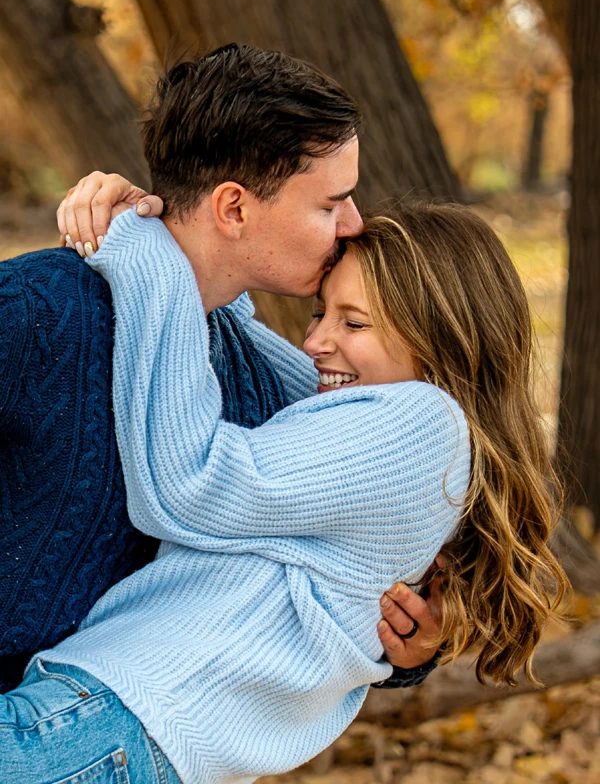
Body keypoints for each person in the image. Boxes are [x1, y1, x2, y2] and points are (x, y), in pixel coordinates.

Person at [1, 192, 567, 783]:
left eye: (354, 322)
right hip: (120, 723)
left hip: (115, 718)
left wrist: (148, 255)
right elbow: (250, 353)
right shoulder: (379, 424)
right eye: (321, 314)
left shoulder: (422, 424)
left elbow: (194, 483)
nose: (315, 341)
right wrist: (190, 254)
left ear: (444, 338)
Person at [0, 44, 438, 693]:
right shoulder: (37, 311)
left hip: (132, 730)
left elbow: (325, 578)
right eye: (330, 204)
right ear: (233, 208)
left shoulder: (269, 383)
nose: (352, 225)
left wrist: (411, 648)